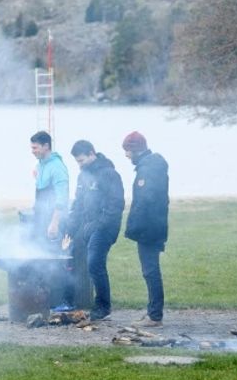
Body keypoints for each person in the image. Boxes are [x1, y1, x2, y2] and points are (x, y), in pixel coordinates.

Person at [64, 140, 125, 321]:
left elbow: (116, 206)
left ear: (92, 154)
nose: (80, 165)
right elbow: (78, 205)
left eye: (82, 160)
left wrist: (98, 224)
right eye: (77, 162)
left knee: (94, 263)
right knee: (73, 257)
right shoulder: (82, 177)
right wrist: (70, 227)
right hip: (87, 226)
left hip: (105, 227)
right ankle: (70, 300)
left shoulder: (109, 174)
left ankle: (103, 305)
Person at [121, 131, 169, 328]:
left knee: (150, 271)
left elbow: (144, 201)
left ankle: (155, 316)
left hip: (149, 228)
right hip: (155, 225)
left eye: (127, 151)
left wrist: (133, 228)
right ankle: (152, 312)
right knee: (150, 270)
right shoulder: (151, 165)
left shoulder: (147, 169)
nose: (126, 155)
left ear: (135, 150)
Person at [29, 131, 70, 246]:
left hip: (54, 220)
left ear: (46, 146)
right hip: (41, 218)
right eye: (32, 148)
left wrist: (55, 223)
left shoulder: (57, 167)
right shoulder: (40, 165)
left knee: (53, 256)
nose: (32, 151)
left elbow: (62, 197)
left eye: (35, 148)